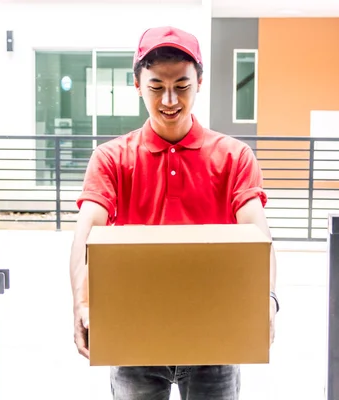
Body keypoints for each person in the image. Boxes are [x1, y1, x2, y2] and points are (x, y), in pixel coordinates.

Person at [69, 26, 279, 400]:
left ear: (199, 82)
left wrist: (267, 300)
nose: (169, 99)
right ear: (137, 85)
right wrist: (81, 304)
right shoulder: (111, 158)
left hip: (216, 339)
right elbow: (86, 238)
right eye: (156, 87)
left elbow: (257, 237)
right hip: (134, 335)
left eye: (182, 86)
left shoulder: (234, 157)